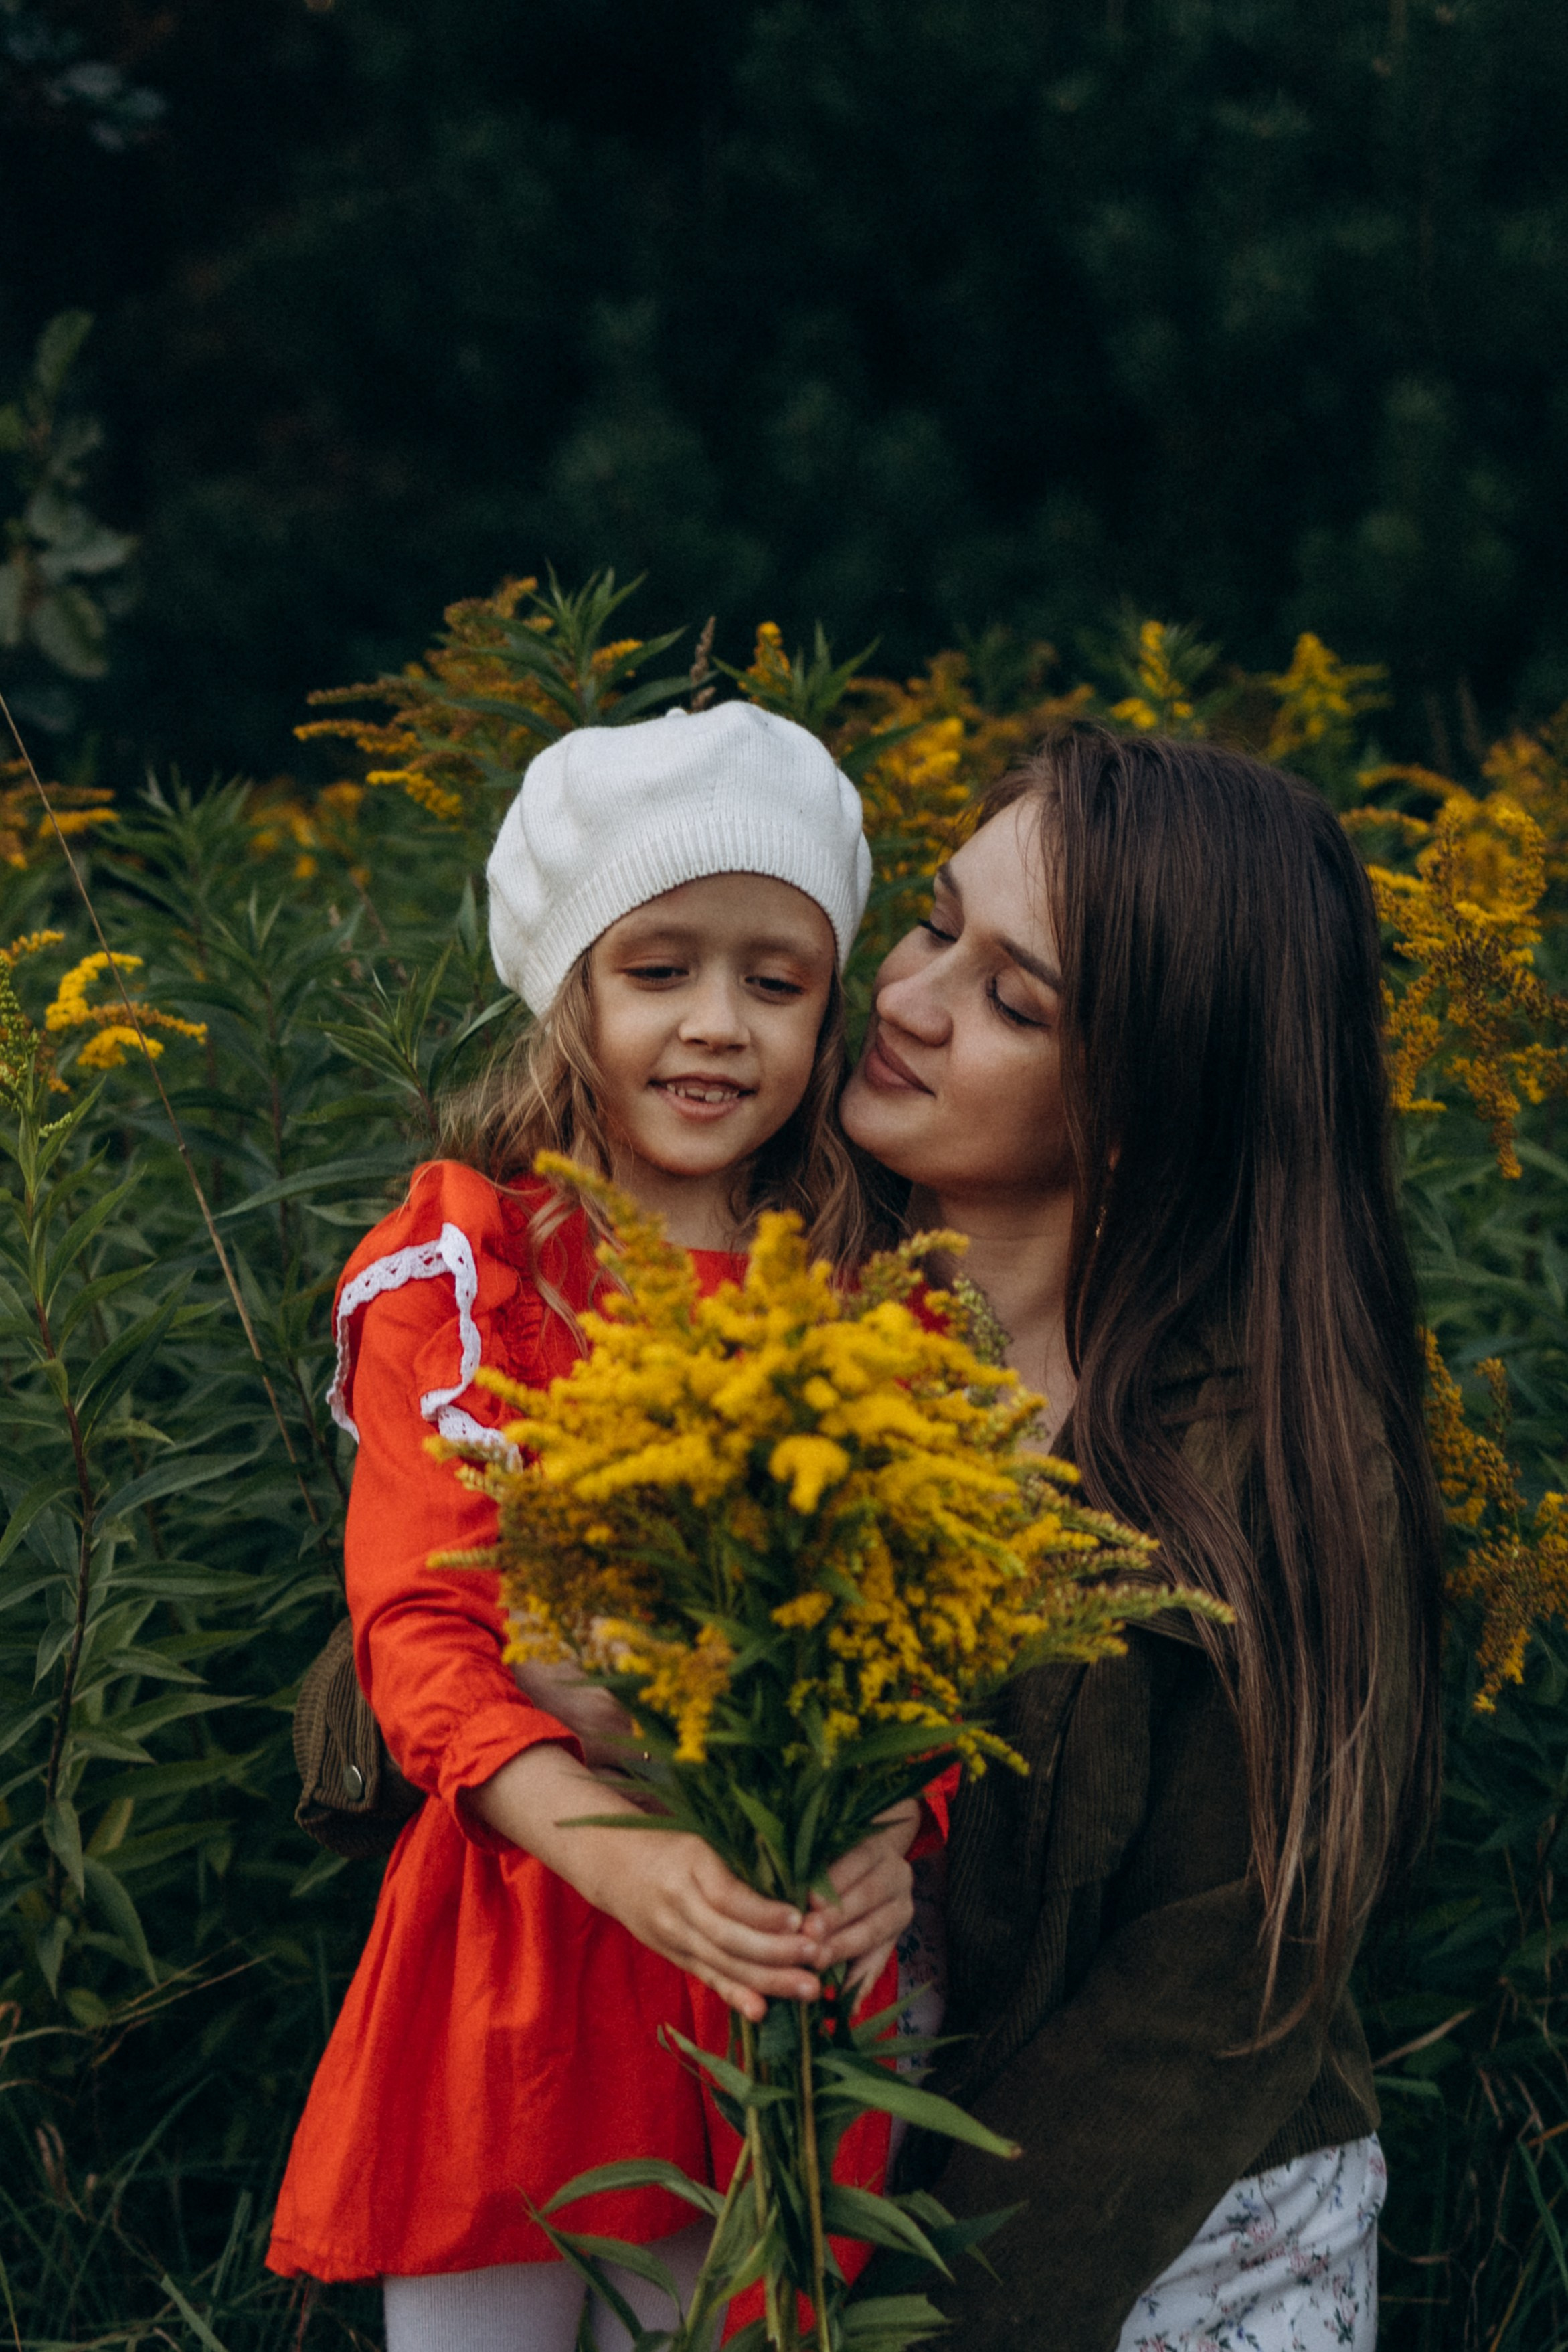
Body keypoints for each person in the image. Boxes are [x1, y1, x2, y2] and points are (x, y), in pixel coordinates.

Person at [266, 702, 924, 2350]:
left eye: (774, 981)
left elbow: (935, 1643)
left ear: (829, 1006)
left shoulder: (871, 1304)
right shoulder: (469, 1272)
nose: (716, 1026)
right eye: (658, 969)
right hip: (521, 1937)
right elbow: (417, 1627)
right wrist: (600, 1830)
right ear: (569, 989)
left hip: (769, 1951)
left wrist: (891, 1835)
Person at [839, 724, 1444, 2352]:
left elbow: (1220, 1985)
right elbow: (421, 1651)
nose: (903, 997)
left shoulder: (1276, 1448)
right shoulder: (728, 1277)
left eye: (1012, 999)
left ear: (1146, 1102)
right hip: (779, 2180)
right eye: (928, 919)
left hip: (1185, 2230)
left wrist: (927, 2327)